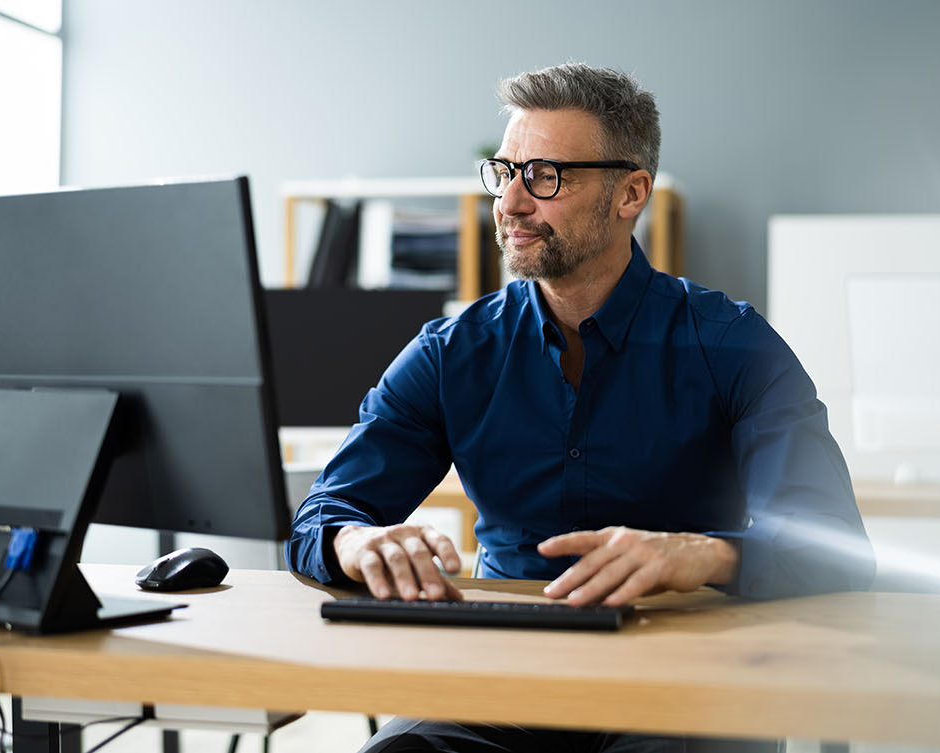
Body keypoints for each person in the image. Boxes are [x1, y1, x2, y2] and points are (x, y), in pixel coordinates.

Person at [284, 63, 877, 753]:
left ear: (630, 193)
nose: (509, 202)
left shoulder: (734, 344)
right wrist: (356, 540)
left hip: (686, 673)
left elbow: (837, 550)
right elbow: (321, 518)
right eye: (504, 172)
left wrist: (703, 554)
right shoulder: (452, 353)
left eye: (544, 176)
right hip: (504, 676)